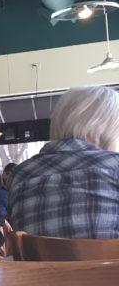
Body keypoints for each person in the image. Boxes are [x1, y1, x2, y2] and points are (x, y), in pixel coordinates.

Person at [8, 85, 119, 238]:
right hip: (108, 261)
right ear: (104, 130)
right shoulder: (115, 165)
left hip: (43, 261)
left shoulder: (19, 175)